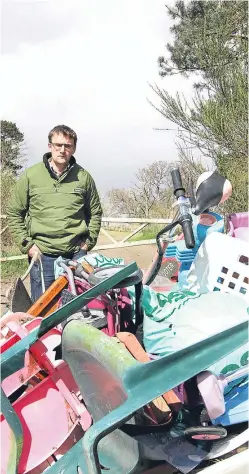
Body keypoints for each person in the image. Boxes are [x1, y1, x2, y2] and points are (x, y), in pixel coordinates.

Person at [7, 124, 103, 302]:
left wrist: (88, 243)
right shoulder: (31, 176)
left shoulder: (84, 177)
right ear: (49, 146)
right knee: (43, 310)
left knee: (77, 308)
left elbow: (95, 213)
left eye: (67, 146)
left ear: (73, 148)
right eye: (58, 145)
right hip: (42, 256)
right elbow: (14, 213)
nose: (62, 150)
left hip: (76, 255)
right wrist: (27, 245)